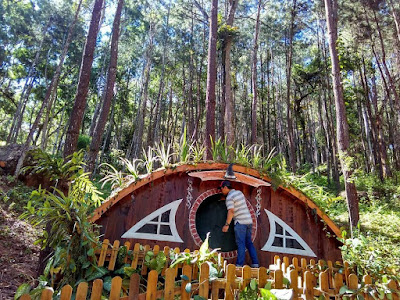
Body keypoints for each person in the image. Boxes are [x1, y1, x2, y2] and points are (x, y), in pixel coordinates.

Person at [219, 180, 259, 267]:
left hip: (240, 222)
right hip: (248, 221)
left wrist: (227, 225)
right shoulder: (239, 193)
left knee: (241, 243)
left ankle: (239, 265)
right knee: (249, 243)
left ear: (225, 187)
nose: (221, 190)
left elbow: (231, 211)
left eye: (221, 188)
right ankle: (255, 264)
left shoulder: (230, 197)